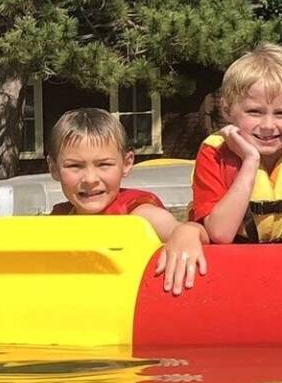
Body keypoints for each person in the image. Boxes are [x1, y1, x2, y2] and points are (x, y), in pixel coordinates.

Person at [48, 107, 207, 296]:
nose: (90, 179)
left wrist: (186, 233)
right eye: (75, 166)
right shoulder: (57, 219)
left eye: (104, 164)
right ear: (54, 168)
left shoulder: (137, 212)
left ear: (126, 163)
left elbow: (184, 230)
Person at [192, 43, 282, 244]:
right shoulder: (213, 155)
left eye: (281, 113)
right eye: (255, 112)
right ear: (227, 109)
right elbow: (220, 233)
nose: (268, 125)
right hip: (238, 258)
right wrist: (250, 161)